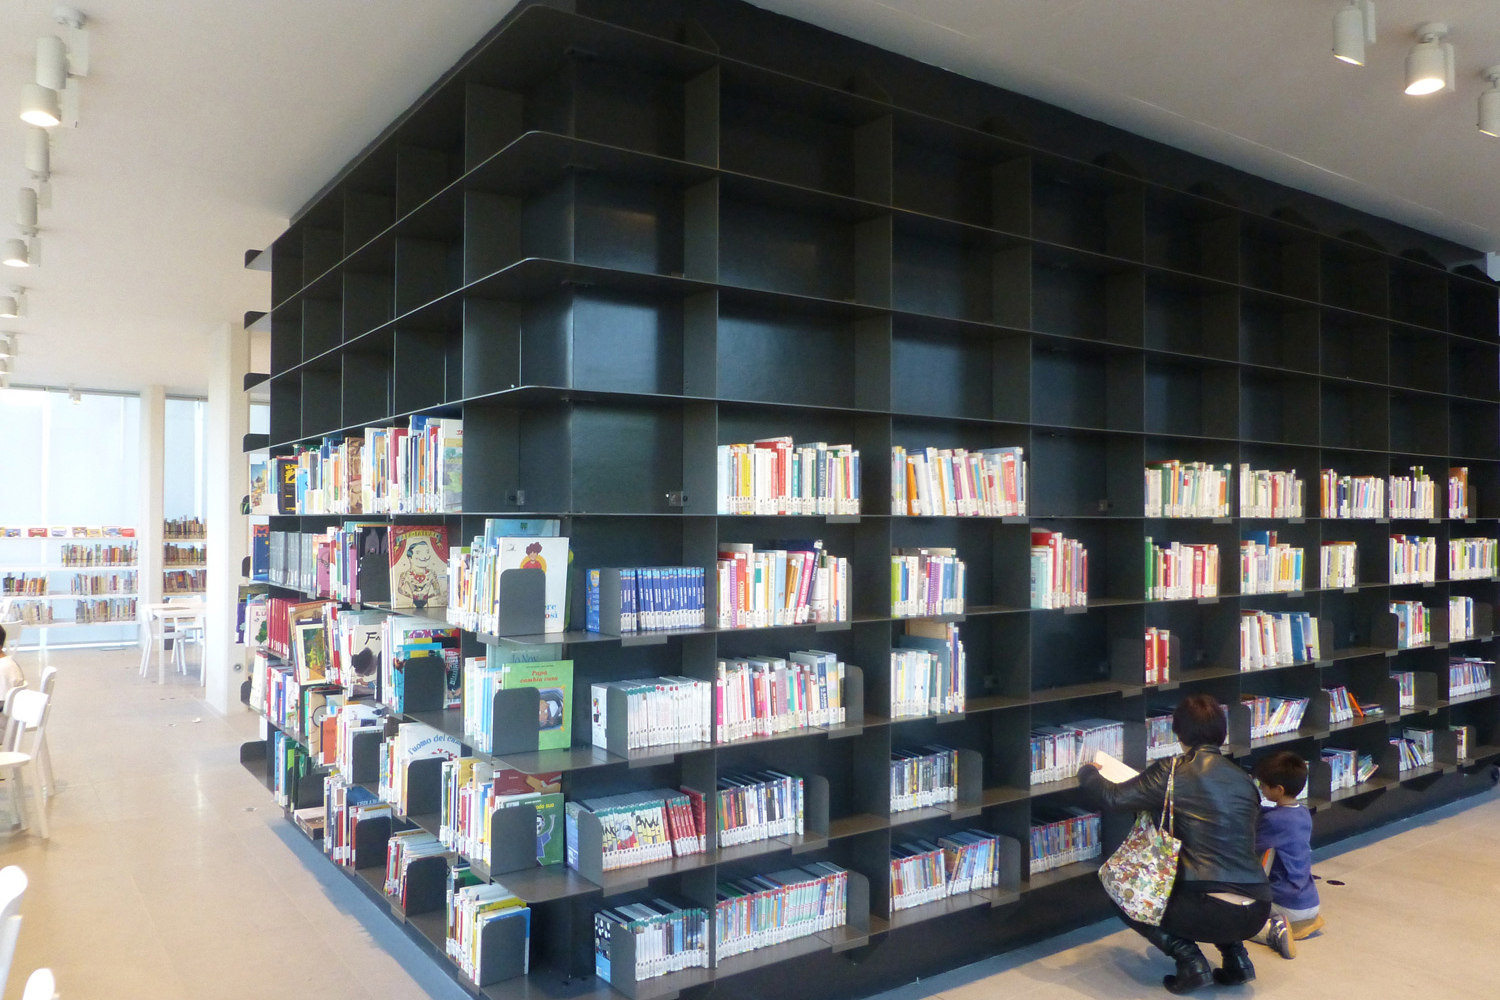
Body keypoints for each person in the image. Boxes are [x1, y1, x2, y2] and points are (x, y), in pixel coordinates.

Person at [1079, 694, 1271, 994]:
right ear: (1222, 733)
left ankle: (1189, 960)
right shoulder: (1245, 780)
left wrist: (1088, 772)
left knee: (1119, 883)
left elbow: (1113, 798)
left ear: (1178, 732)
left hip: (1206, 909)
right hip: (1258, 908)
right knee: (1223, 878)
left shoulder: (1171, 771)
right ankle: (1237, 960)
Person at [1250, 751, 1322, 959]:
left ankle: (1273, 931)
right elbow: (1275, 818)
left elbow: (1251, 848)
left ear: (1279, 790)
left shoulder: (1273, 822)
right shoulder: (1303, 813)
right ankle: (1302, 924)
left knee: (1234, 916)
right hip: (1310, 901)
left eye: (1263, 786)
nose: (1261, 789)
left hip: (1287, 903)